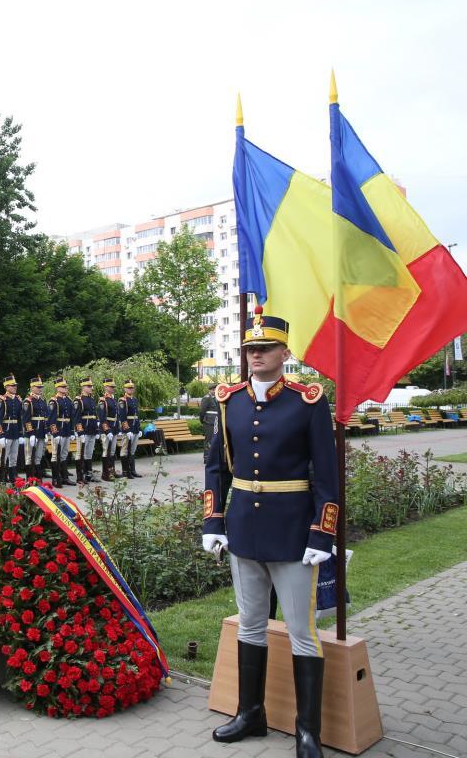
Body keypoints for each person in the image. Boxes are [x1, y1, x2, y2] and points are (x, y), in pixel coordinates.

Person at [202, 309, 335, 758]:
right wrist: (213, 521)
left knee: (302, 631)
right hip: (244, 529)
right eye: (249, 349)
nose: (255, 355)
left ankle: (307, 731)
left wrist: (322, 533)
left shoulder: (308, 401)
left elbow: (327, 475)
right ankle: (250, 713)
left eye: (264, 348)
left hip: (295, 530)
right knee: (251, 624)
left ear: (284, 352)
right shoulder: (228, 400)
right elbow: (216, 467)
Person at [0, 375, 23, 483]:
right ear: (6, 387)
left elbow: (19, 418)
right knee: (3, 457)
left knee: (14, 457)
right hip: (6, 432)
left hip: (15, 432)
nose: (15, 387)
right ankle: (2, 479)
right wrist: (0, 435)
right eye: (12, 385)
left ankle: (12, 477)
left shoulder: (18, 400)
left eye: (15, 385)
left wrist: (20, 434)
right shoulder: (2, 400)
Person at [22, 377, 50, 484]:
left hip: (41, 432)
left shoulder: (43, 400)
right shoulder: (28, 401)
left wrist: (46, 432)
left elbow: (45, 418)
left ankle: (38, 480)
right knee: (29, 457)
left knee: (38, 457)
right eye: (38, 387)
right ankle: (29, 481)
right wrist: (31, 433)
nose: (40, 389)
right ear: (32, 387)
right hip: (32, 434)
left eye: (41, 387)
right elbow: (26, 419)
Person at [48, 378, 76, 488]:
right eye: (63, 387)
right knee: (55, 455)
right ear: (58, 388)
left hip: (67, 430)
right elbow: (51, 419)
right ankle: (55, 479)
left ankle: (65, 477)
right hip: (58, 431)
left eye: (66, 386)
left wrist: (73, 431)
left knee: (64, 454)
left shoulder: (68, 400)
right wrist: (55, 433)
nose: (66, 388)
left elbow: (72, 417)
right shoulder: (54, 401)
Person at [74, 377, 99, 484]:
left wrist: (97, 430)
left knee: (89, 454)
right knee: (80, 453)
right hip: (84, 430)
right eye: (89, 386)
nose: (91, 388)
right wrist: (80, 432)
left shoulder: (91, 399)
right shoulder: (78, 400)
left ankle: (88, 474)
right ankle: (80, 476)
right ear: (83, 387)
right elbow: (76, 417)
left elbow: (95, 415)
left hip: (92, 429)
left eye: (91, 386)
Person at [117, 380, 143, 478]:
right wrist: (127, 430)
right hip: (128, 428)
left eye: (132, 388)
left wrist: (139, 428)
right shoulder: (122, 400)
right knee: (125, 450)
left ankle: (132, 470)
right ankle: (125, 471)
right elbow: (122, 417)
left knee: (132, 450)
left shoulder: (135, 400)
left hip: (135, 427)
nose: (130, 389)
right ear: (125, 389)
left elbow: (137, 415)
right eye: (128, 388)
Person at [99, 378, 120, 481]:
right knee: (106, 451)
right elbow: (102, 418)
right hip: (107, 429)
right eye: (111, 387)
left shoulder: (112, 399)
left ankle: (112, 471)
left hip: (114, 428)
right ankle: (105, 474)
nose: (113, 388)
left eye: (113, 387)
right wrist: (107, 431)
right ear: (106, 387)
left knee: (112, 451)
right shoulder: (103, 400)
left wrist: (117, 429)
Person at [199, 382, 220, 465]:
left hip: (216, 422)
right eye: (214, 390)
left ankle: (213, 457)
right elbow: (202, 411)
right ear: (211, 390)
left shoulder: (217, 398)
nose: (215, 391)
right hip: (209, 422)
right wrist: (202, 420)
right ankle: (207, 457)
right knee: (209, 440)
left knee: (214, 440)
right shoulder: (206, 398)